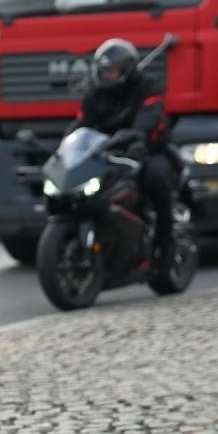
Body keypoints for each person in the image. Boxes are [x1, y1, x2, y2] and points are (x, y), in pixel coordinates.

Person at [75, 38, 176, 269]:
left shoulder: (146, 87)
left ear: (127, 70)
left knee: (153, 177)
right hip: (109, 153)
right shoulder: (94, 94)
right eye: (103, 72)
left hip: (149, 149)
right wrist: (66, 146)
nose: (107, 76)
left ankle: (165, 240)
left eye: (112, 71)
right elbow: (82, 125)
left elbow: (150, 117)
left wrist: (138, 137)